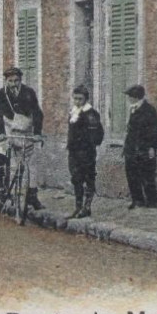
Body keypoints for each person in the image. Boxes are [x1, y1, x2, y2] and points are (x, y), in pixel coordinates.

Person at [0, 66, 44, 211]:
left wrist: (37, 133)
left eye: (16, 81)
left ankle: (32, 195)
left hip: (25, 127)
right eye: (10, 81)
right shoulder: (1, 94)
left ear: (21, 80)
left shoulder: (29, 92)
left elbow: (37, 113)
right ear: (6, 81)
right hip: (8, 126)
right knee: (6, 156)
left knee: (31, 162)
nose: (14, 84)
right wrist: (1, 132)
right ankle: (4, 188)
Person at [66, 84, 104, 219]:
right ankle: (78, 207)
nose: (77, 101)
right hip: (73, 152)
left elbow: (98, 135)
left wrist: (88, 146)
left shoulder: (91, 114)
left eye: (80, 99)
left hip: (86, 153)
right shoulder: (73, 112)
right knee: (76, 179)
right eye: (75, 98)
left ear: (86, 99)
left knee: (88, 178)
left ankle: (87, 207)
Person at [122, 84, 157, 210]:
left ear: (135, 97)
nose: (128, 99)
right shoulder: (132, 109)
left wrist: (151, 148)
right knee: (131, 175)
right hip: (131, 149)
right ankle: (137, 200)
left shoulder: (149, 110)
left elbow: (154, 131)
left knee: (147, 175)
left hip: (144, 148)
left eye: (130, 96)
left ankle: (152, 201)